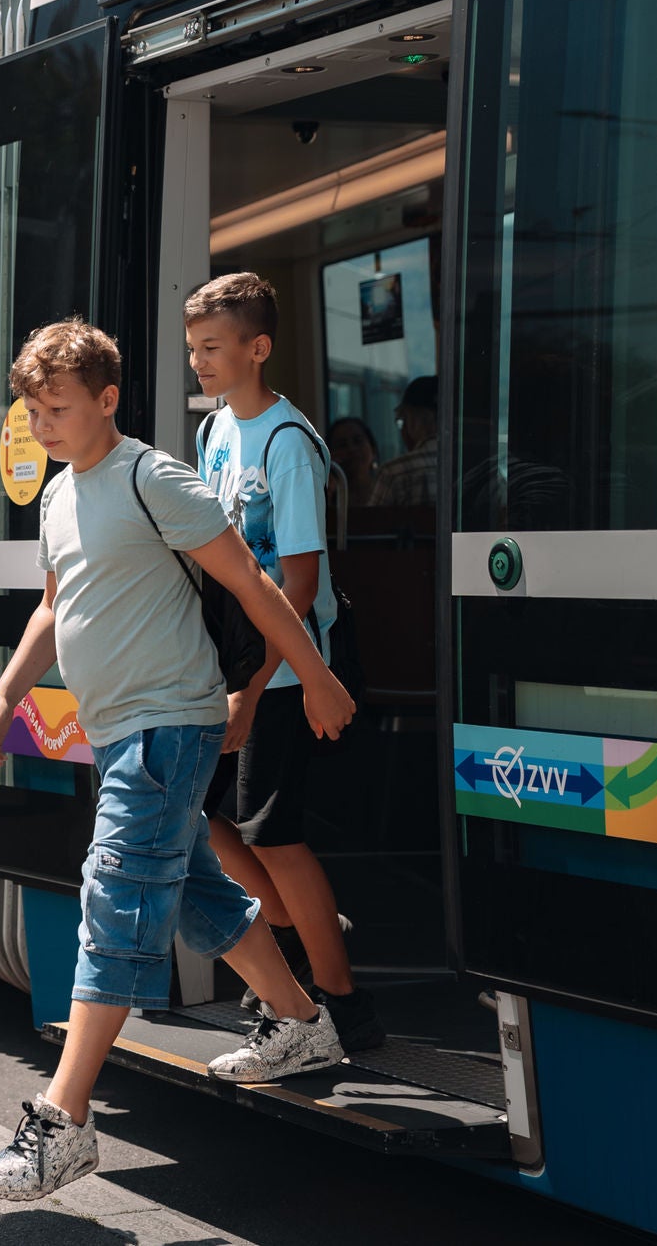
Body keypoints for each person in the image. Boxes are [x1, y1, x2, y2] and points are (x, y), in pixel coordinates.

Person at [0, 320, 358, 1203]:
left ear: (108, 400)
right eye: (32, 409)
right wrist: (6, 695)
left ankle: (63, 1119)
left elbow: (250, 582)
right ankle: (300, 1023)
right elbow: (53, 607)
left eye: (58, 407)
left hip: (166, 725)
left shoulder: (154, 477)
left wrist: (316, 678)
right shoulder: (60, 494)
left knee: (115, 892)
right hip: (117, 730)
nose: (42, 424)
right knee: (194, 887)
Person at [182, 273, 384, 1051]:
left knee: (273, 832)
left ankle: (341, 1003)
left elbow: (298, 583)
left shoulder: (288, 443)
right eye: (192, 347)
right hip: (239, 667)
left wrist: (254, 685)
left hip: (290, 668)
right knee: (207, 816)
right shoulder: (212, 435)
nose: (198, 361)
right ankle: (303, 924)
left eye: (211, 347)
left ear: (256, 348)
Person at [368, 376, 438, 508]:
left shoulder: (393, 473)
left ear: (412, 419)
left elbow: (369, 526)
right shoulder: (474, 467)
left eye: (401, 421)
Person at [325, 415, 380, 514]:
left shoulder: (388, 489)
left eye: (358, 441)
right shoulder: (323, 496)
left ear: (373, 449)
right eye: (342, 445)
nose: (351, 449)